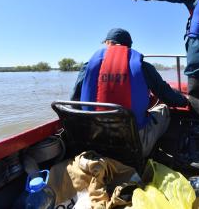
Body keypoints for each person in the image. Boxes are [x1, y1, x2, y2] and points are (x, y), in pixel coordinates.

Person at [71, 28, 188, 157]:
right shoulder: (143, 67)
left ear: (109, 43)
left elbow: (74, 102)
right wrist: (185, 100)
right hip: (134, 148)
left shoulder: (87, 67)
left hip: (93, 142)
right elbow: (169, 97)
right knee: (164, 109)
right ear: (129, 46)